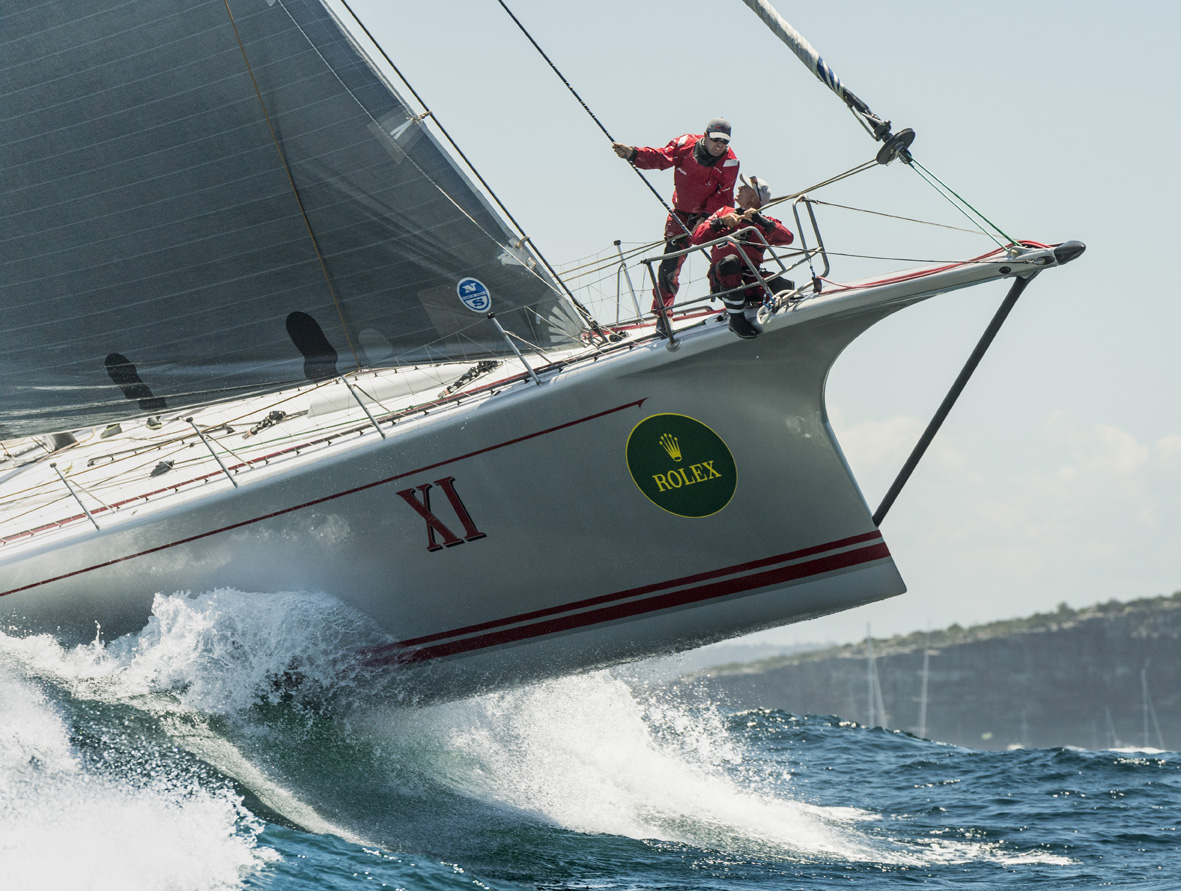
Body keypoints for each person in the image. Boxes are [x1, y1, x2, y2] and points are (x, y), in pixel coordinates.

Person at [612, 119, 739, 327]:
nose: (720, 145)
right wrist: (633, 153)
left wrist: (705, 217)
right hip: (681, 214)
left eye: (725, 141)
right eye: (716, 139)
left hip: (712, 214)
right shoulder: (684, 144)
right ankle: (663, 314)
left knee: (726, 254)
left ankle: (734, 301)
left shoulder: (730, 162)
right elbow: (661, 158)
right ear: (705, 135)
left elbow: (724, 195)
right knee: (669, 265)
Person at [690, 174, 794, 339]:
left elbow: (787, 238)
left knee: (782, 285)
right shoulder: (724, 212)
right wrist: (721, 223)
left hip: (751, 277)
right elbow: (697, 237)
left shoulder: (764, 221)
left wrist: (760, 220)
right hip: (724, 276)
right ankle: (736, 319)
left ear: (754, 198)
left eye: (744, 187)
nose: (739, 188)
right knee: (730, 262)